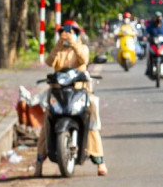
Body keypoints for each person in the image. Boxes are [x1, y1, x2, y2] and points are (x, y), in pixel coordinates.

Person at [33, 23, 108, 177]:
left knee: (91, 120)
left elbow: (83, 59)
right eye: (63, 32)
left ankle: (100, 161)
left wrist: (73, 43)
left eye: (70, 32)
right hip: (59, 91)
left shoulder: (82, 47)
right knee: (47, 121)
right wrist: (58, 45)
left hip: (79, 90)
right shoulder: (59, 49)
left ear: (77, 34)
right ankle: (39, 162)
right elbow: (49, 62)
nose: (66, 34)